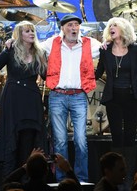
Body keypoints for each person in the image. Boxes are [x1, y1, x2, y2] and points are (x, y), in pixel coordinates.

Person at [0, 21, 48, 178]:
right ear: (19, 34)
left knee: (29, 139)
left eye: (32, 30)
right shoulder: (10, 51)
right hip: (13, 99)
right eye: (27, 31)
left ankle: (26, 180)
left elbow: (46, 76)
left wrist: (45, 64)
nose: (31, 33)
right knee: (11, 138)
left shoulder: (40, 53)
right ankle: (9, 182)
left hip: (32, 99)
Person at [40, 14, 101, 183]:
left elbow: (108, 45)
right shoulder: (51, 43)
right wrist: (12, 42)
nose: (74, 28)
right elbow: (32, 47)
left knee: (81, 140)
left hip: (78, 95)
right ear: (63, 28)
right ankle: (62, 180)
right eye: (70, 25)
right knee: (60, 142)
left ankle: (80, 179)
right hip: (57, 95)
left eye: (76, 25)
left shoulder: (90, 43)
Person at [95, 17, 137, 189]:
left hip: (132, 97)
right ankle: (116, 176)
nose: (111, 28)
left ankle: (129, 175)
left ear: (124, 28)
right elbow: (98, 71)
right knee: (116, 135)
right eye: (110, 26)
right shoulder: (105, 49)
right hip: (113, 97)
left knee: (130, 135)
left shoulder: (136, 49)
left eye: (115, 25)